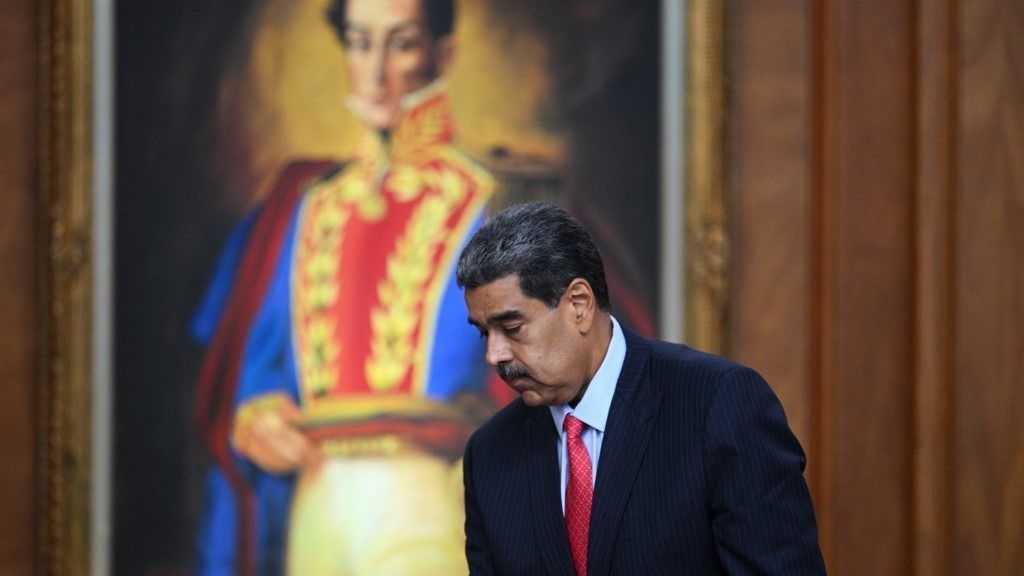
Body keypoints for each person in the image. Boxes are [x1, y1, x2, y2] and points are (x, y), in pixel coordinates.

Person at [190, 0, 499, 574]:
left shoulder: (489, 204)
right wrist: (258, 418)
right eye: (360, 43)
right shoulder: (302, 209)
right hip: (317, 498)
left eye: (400, 43)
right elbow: (260, 370)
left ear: (443, 54)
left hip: (431, 500)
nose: (376, 71)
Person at [456, 203, 827, 575]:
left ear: (579, 305)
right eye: (484, 332)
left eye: (512, 327)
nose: (494, 354)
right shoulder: (490, 454)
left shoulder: (716, 405)